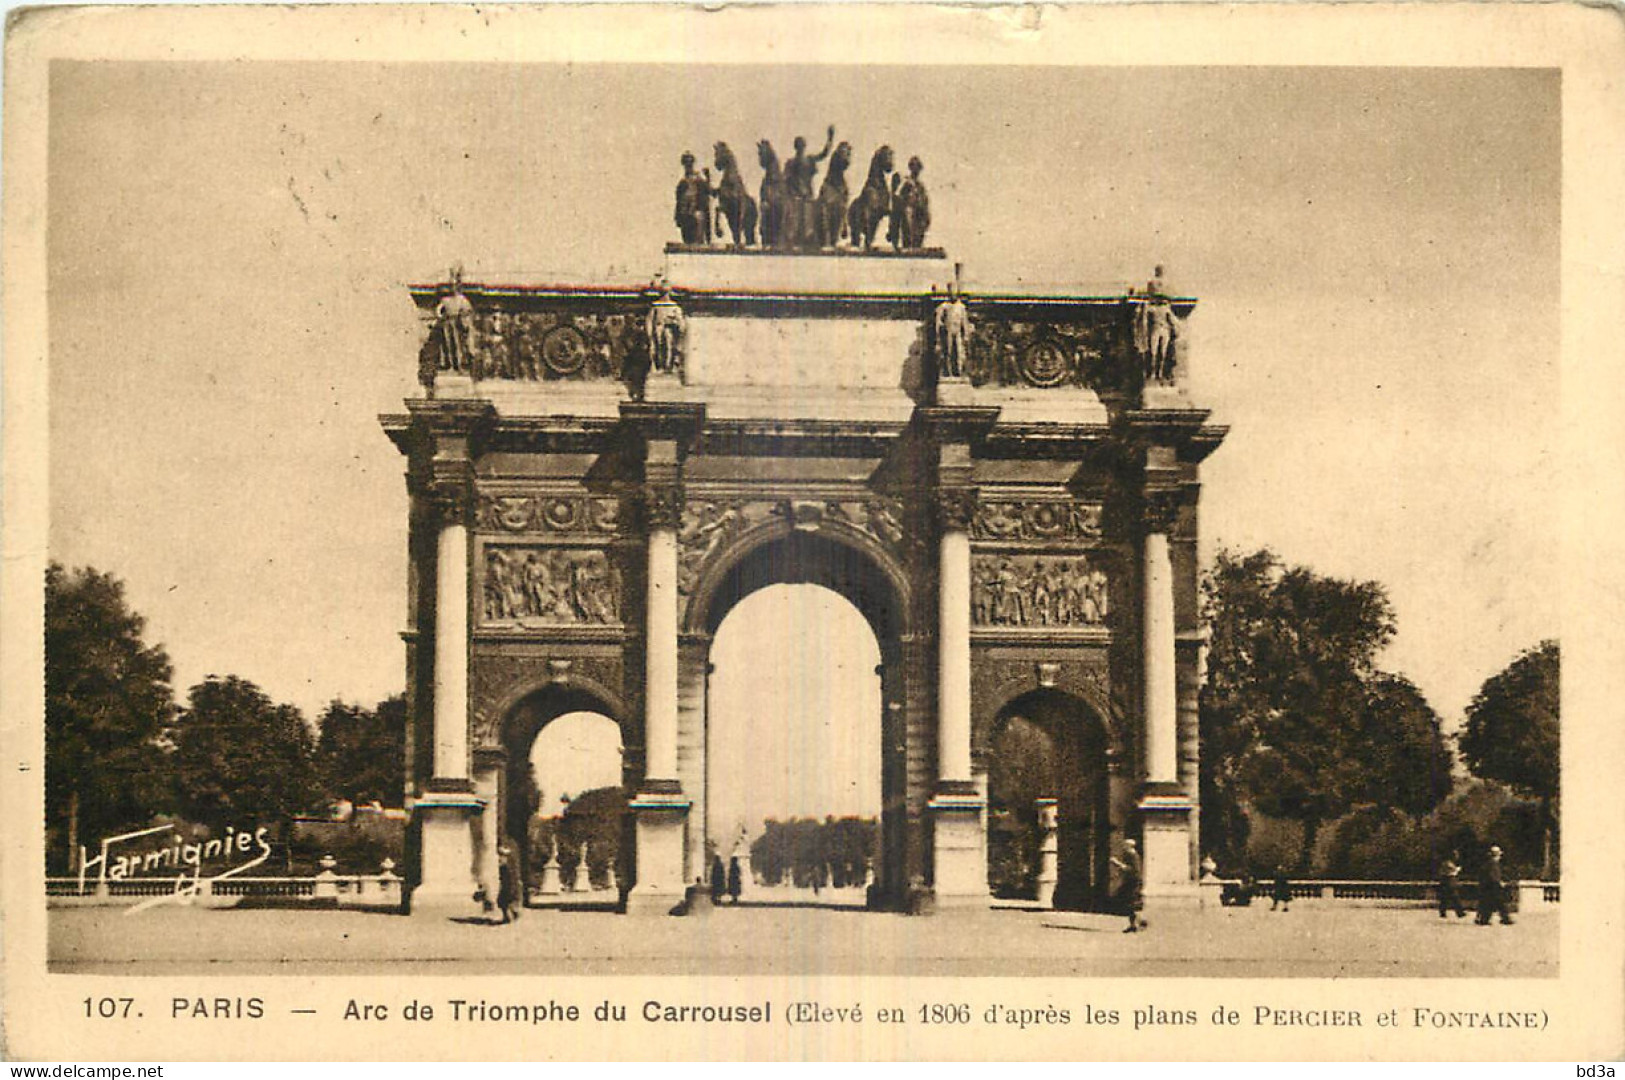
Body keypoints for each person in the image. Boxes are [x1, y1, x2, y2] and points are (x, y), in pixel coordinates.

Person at [673, 151, 711, 245]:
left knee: (697, 241)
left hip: (696, 214)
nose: (688, 165)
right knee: (687, 241)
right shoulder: (682, 183)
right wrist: (678, 216)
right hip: (685, 216)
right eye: (686, 163)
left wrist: (708, 179)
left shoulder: (698, 180)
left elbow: (707, 192)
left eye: (690, 162)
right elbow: (679, 200)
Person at [1110, 839, 1144, 933]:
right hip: (1130, 881)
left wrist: (1117, 863)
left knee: (1129, 903)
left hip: (1132, 882)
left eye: (1125, 846)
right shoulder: (1131, 855)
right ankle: (1135, 924)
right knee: (1128, 903)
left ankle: (1139, 922)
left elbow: (1132, 870)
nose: (1123, 847)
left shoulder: (1133, 855)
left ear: (1129, 846)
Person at [1476, 845, 1515, 925]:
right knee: (1499, 903)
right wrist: (1500, 882)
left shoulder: (1489, 863)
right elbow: (1494, 875)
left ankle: (1485, 919)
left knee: (1490, 903)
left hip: (1489, 887)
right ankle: (1504, 919)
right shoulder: (1493, 863)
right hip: (1494, 887)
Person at [1437, 851, 1468, 919]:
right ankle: (1459, 912)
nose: (1457, 857)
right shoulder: (1448, 863)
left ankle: (1443, 912)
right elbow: (1452, 872)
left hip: (1447, 882)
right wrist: (1458, 869)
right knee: (1454, 897)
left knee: (1445, 898)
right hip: (1448, 882)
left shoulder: (1447, 863)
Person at [496, 843, 521, 924]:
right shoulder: (503, 866)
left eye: (502, 856)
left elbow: (513, 878)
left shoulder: (509, 866)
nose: (500, 858)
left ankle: (513, 914)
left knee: (508, 901)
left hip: (510, 886)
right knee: (503, 902)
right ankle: (507, 917)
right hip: (505, 886)